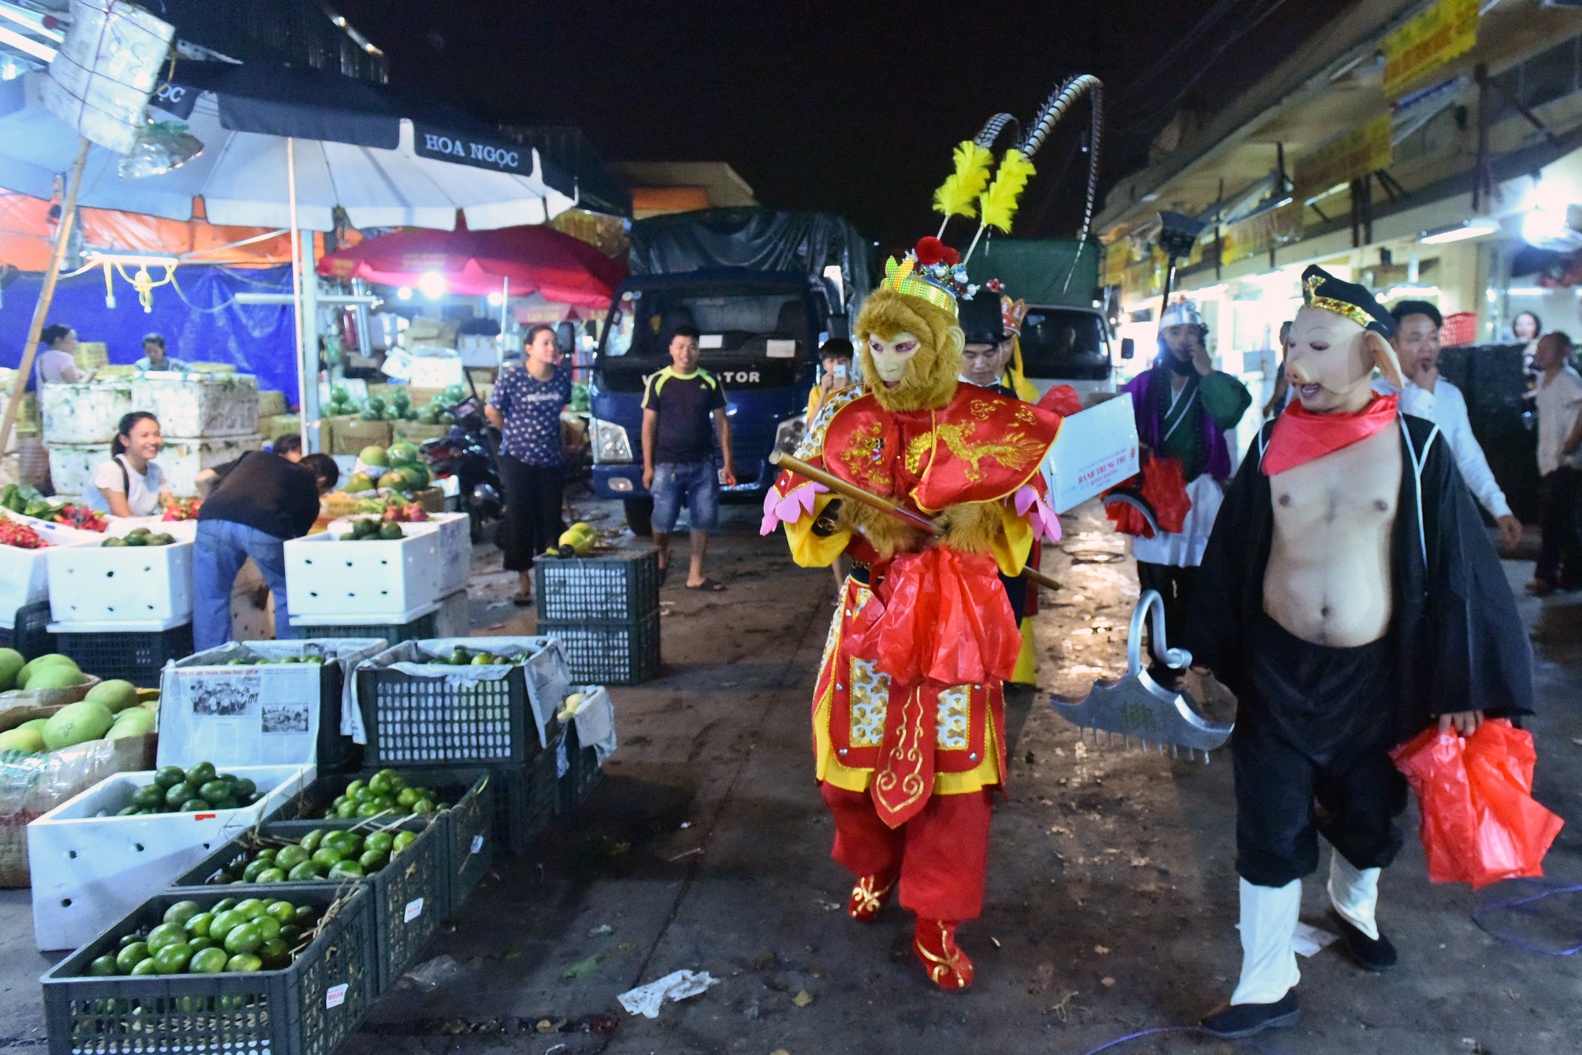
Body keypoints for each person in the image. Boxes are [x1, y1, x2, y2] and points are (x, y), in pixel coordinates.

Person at [1188, 267, 1533, 1039]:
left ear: (1371, 355)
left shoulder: (1419, 448)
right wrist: (1199, 649)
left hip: (1378, 676)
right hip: (1279, 672)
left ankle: (1353, 906)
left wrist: (1462, 677)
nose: (1295, 364)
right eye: (1291, 345)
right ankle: (1265, 979)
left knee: (1370, 815)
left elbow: (1456, 570)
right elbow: (1235, 547)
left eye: (1317, 345)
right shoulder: (1272, 442)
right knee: (1269, 820)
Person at [762, 235, 1065, 990]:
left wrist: (984, 515)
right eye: (875, 344)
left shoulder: (988, 423)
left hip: (952, 627)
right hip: (870, 615)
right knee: (848, 771)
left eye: (903, 344)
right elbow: (813, 537)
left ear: (935, 347)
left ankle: (937, 912)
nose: (887, 361)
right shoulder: (847, 420)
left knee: (955, 781)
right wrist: (831, 512)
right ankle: (873, 862)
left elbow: (1009, 538)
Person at [1116, 300, 1251, 677]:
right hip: (1156, 495)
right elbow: (1116, 422)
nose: (1184, 340)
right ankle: (1161, 658)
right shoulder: (1145, 383)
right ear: (1161, 338)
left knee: (1197, 581)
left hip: (1201, 495)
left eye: (1192, 332)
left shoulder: (1211, 383)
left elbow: (1228, 413)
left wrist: (1207, 372)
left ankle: (1190, 652)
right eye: (1175, 332)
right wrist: (1132, 446)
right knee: (1155, 582)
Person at [1382, 300, 1523, 551]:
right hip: (1392, 518)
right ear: (1393, 344)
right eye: (1415, 339)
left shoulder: (1449, 394)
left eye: (1433, 338)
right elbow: (1409, 447)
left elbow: (1468, 456)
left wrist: (1499, 509)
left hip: (1441, 514)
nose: (1426, 347)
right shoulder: (1375, 395)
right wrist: (1423, 393)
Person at [193, 451, 339, 649]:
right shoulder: (309, 491)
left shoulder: (256, 457)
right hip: (265, 524)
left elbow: (203, 478)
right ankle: (290, 655)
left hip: (211, 517)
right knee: (289, 591)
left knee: (210, 596)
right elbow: (290, 553)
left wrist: (220, 506)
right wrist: (266, 585)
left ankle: (207, 664)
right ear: (321, 481)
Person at [642, 325, 735, 590]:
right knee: (662, 521)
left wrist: (728, 461)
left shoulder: (709, 381)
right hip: (666, 465)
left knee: (702, 520)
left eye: (692, 347)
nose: (686, 352)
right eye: (680, 346)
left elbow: (722, 423)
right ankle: (661, 554)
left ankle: (695, 575)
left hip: (703, 464)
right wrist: (648, 467)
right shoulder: (658, 381)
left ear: (699, 351)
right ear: (671, 350)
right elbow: (648, 426)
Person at [485, 325, 572, 605]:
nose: (552, 348)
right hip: (518, 459)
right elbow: (492, 410)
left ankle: (552, 581)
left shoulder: (561, 380)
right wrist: (510, 433)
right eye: (545, 343)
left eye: (555, 344)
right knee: (520, 517)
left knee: (550, 519)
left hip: (551, 460)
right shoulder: (513, 378)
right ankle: (524, 582)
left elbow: (561, 415)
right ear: (529, 347)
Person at [1528, 331, 1582, 594]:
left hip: (1565, 462)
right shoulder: (1542, 380)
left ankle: (1546, 576)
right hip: (1548, 460)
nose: (1541, 353)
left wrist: (1571, 441)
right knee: (1565, 523)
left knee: (1552, 522)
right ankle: (1572, 576)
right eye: (1539, 348)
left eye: (1547, 348)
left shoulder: (1568, 380)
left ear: (1564, 352)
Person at [88, 412, 171, 517]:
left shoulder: (156, 471)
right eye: (144, 435)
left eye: (157, 434)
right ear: (125, 440)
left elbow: (172, 510)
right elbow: (124, 518)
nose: (153, 441)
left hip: (138, 529)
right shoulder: (111, 470)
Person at [807, 337, 856, 421]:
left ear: (850, 363)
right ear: (824, 365)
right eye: (831, 361)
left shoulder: (859, 390)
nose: (837, 365)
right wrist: (824, 393)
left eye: (843, 360)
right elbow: (811, 426)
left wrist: (845, 390)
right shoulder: (817, 392)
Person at [1261, 320, 1295, 419]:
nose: (1279, 337)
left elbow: (1282, 385)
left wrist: (1270, 404)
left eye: (1282, 333)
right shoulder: (1291, 356)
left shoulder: (1289, 358)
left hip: (1284, 408)